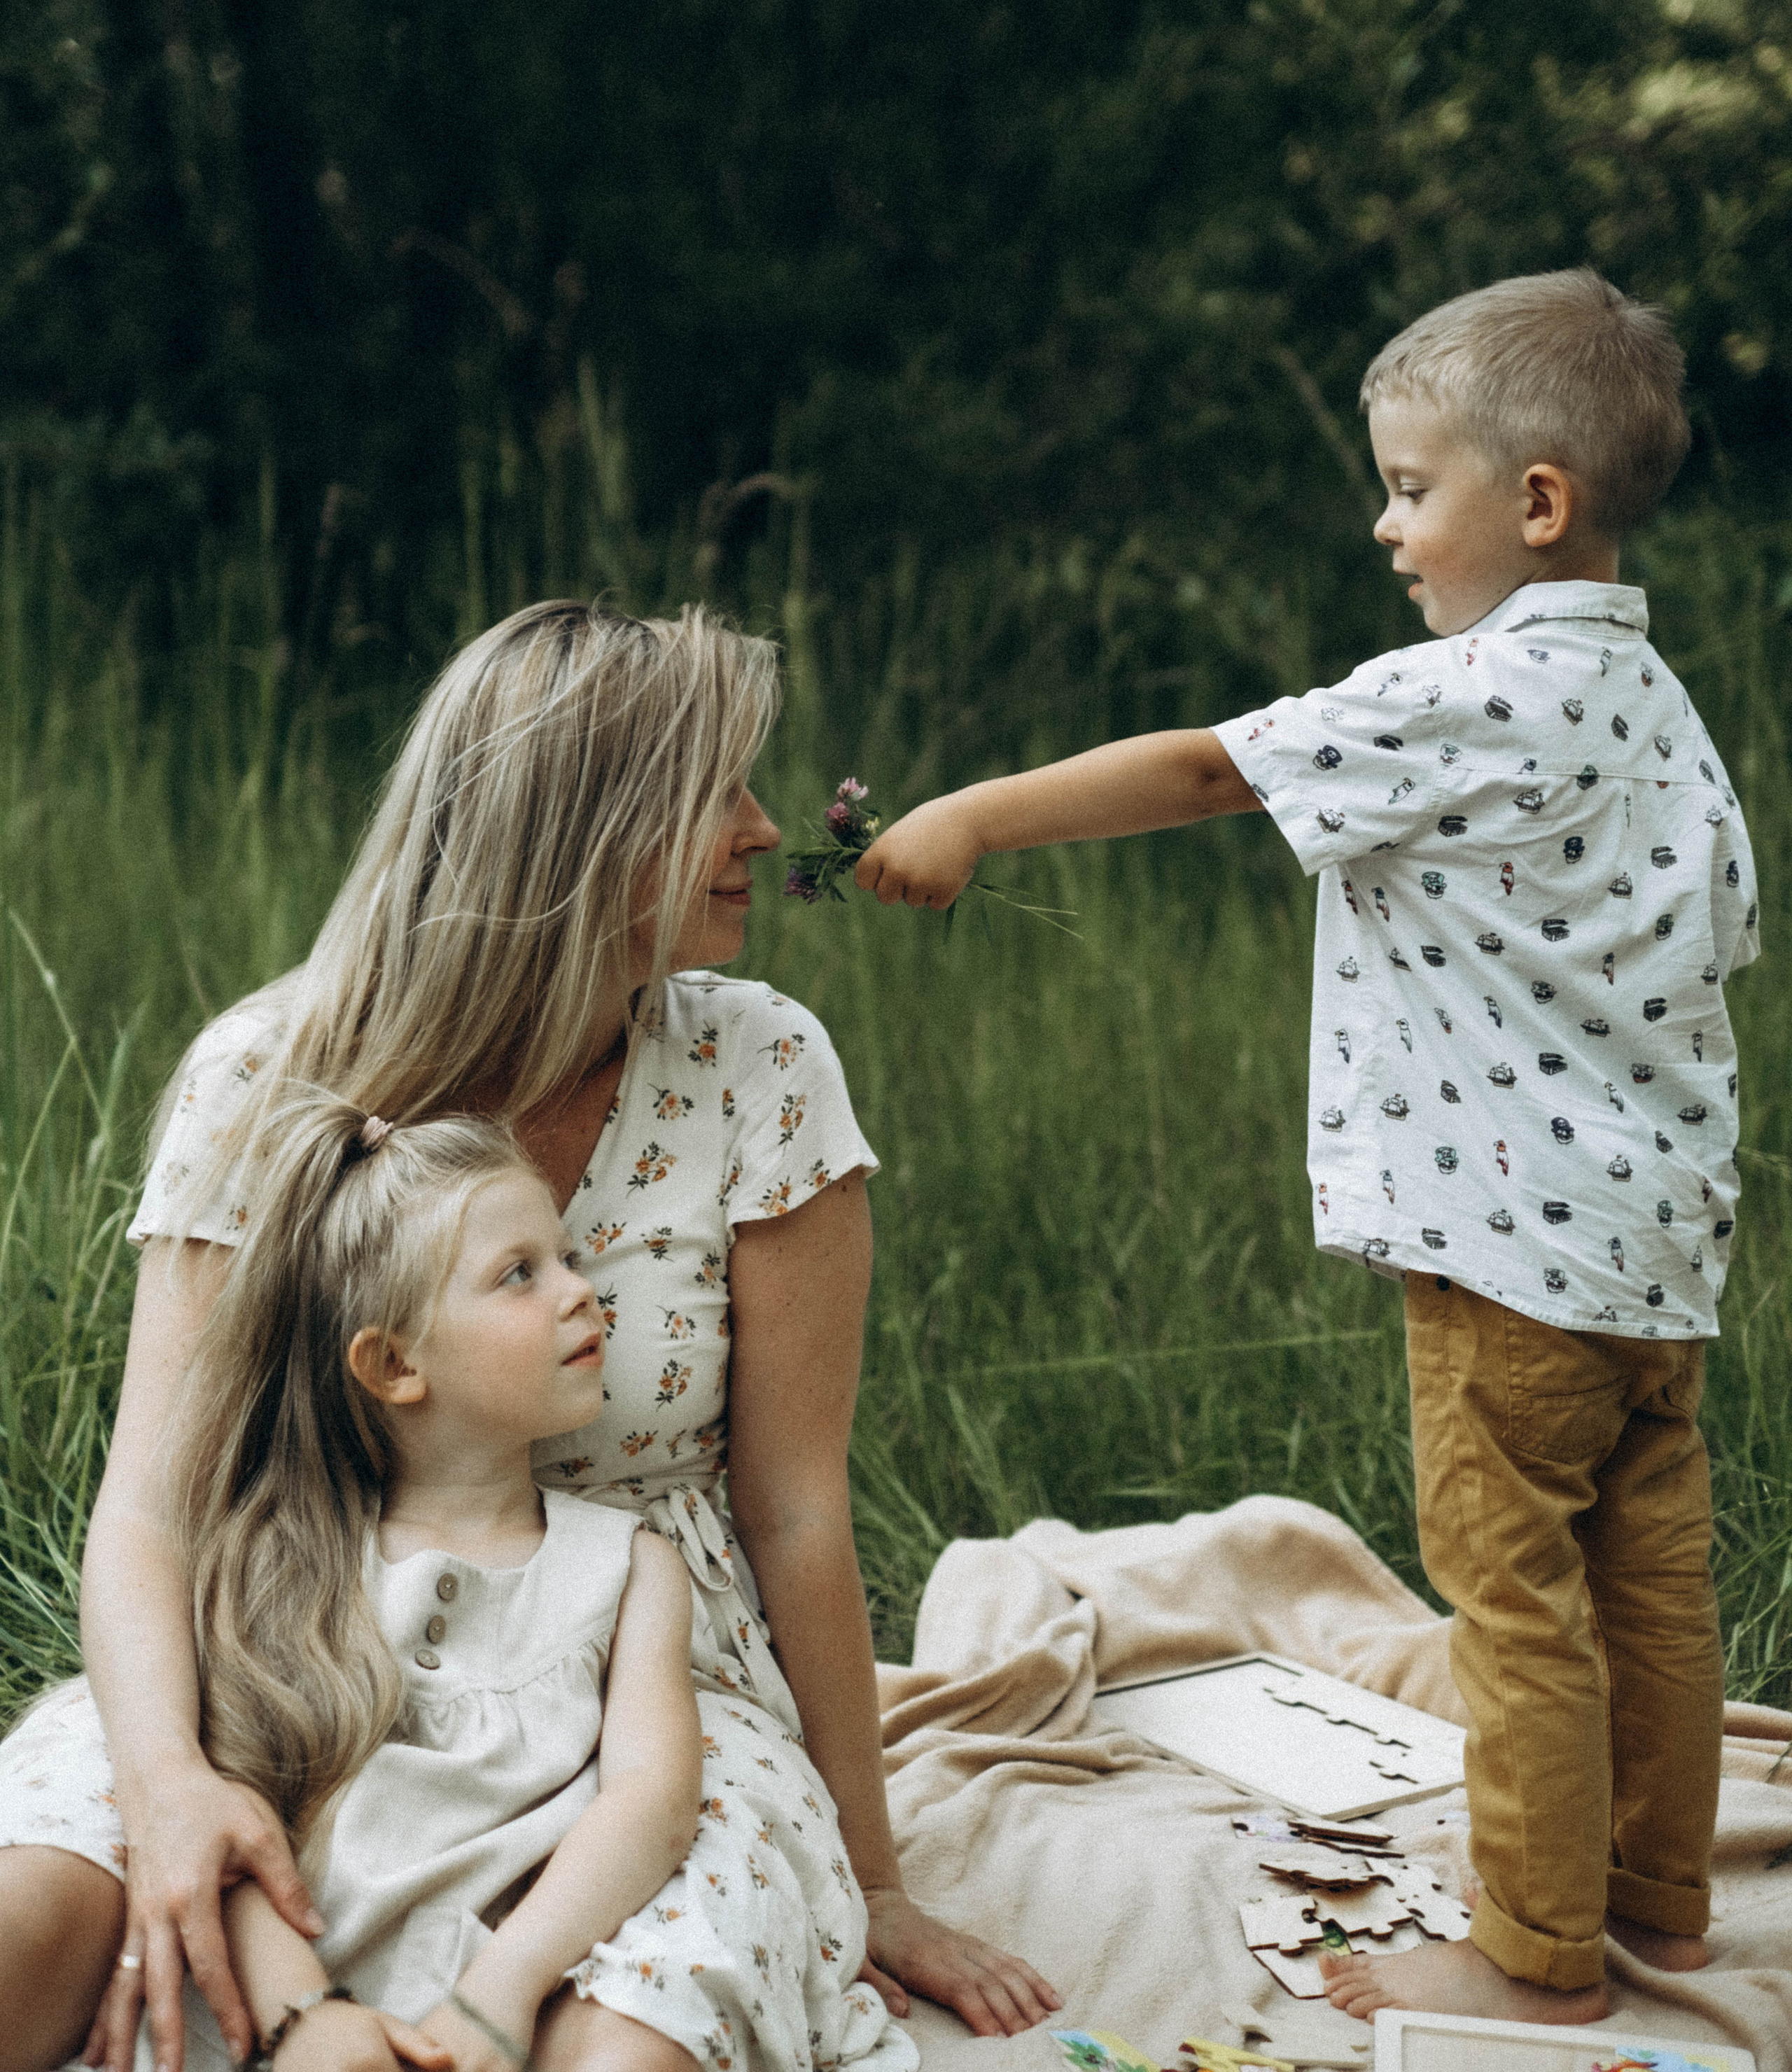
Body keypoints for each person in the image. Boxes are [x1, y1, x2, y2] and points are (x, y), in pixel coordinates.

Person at [854, 270, 1758, 2027]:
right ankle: (1657, 1906)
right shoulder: (1664, 718)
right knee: (1645, 1584)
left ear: (1537, 501)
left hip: (1505, 1262)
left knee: (1512, 1600)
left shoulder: (1472, 691)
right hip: (1656, 1257)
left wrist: (969, 816)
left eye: (1413, 489)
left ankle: (1534, 1955)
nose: (1385, 522)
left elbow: (1207, 772)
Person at [0, 602, 1060, 2072]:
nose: (762, 831)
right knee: (38, 1916)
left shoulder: (757, 1064)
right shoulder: (270, 1069)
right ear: (581, 830)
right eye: (721, 794)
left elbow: (796, 1508)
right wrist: (167, 1774)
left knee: (628, 2040)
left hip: (646, 1669)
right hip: (289, 1638)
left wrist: (872, 1881)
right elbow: (154, 1503)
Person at [134, 1093, 704, 2072]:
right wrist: (305, 2019)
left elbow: (652, 1802)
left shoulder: (626, 1568)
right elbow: (237, 1818)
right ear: (395, 1363)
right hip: (301, 2014)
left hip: (503, 2011)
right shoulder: (291, 1560)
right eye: (518, 1275)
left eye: (566, 1257)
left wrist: (501, 1995)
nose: (578, 1291)